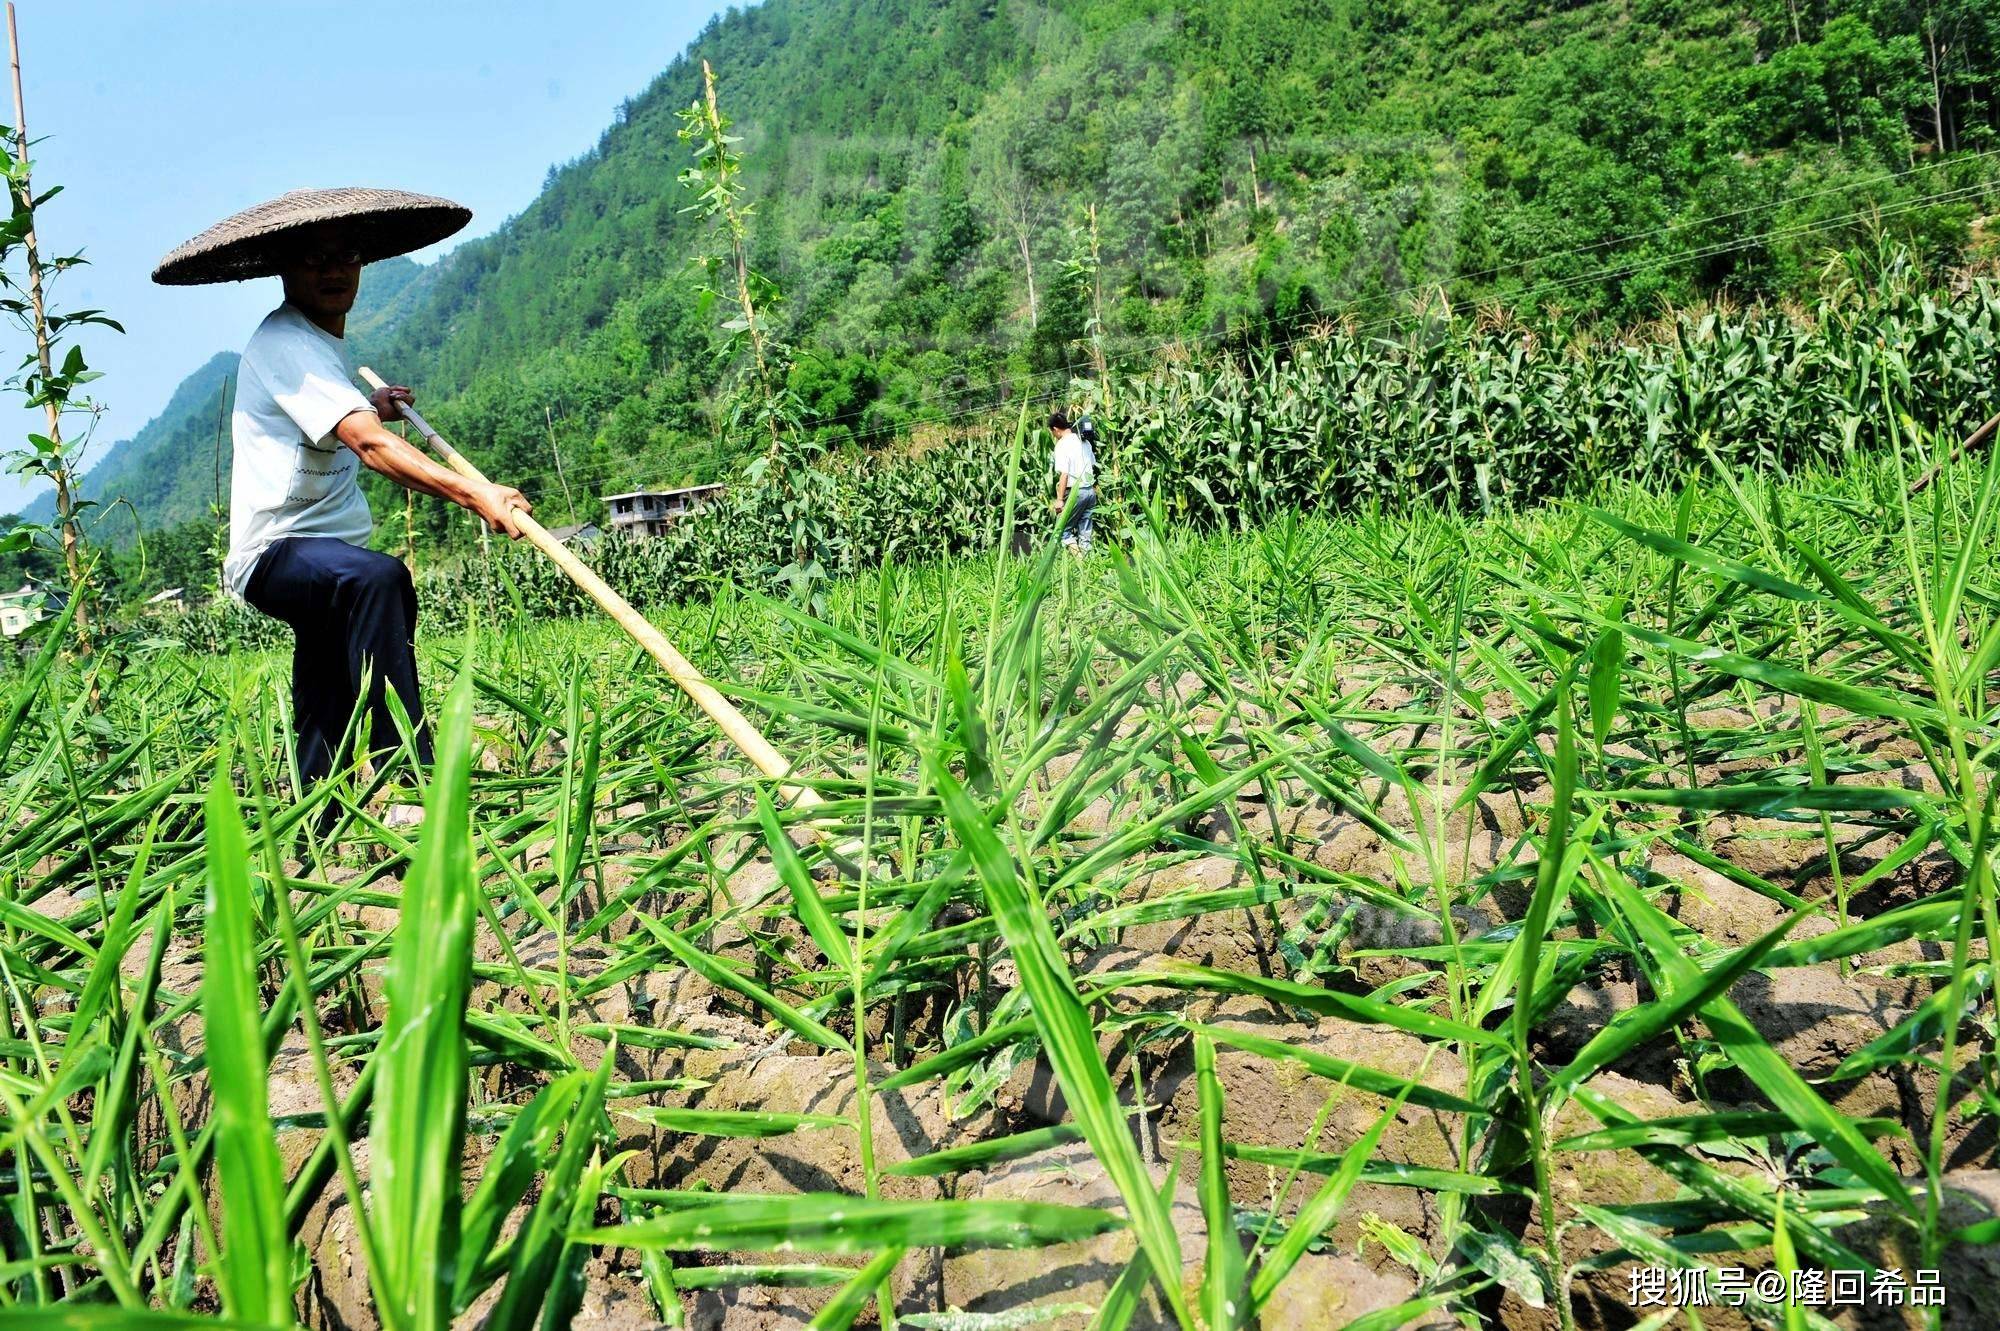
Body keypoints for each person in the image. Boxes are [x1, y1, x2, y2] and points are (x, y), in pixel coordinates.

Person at [153, 188, 532, 800]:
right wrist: (477, 494)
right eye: (312, 258)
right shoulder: (285, 343)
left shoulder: (318, 347)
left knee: (326, 686)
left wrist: (372, 408)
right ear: (284, 268)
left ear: (361, 264)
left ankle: (315, 812)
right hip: (276, 553)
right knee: (375, 580)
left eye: (345, 256)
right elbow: (370, 446)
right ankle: (408, 775)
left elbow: (340, 422)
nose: (332, 270)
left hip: (319, 551)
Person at [1049, 408, 1097, 552]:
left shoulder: (1062, 444)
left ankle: (1080, 563)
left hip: (1076, 493)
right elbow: (1093, 466)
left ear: (1055, 429)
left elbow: (1064, 474)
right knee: (1085, 531)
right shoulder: (1084, 441)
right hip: (1090, 492)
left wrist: (1059, 499)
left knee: (1062, 531)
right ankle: (1090, 565)